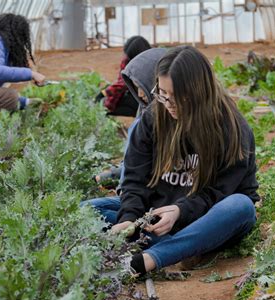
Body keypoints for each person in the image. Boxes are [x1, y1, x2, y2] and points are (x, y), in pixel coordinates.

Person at [109, 46, 260, 275]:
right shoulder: (153, 117)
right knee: (91, 209)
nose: (168, 104)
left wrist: (180, 211)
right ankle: (185, 248)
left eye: (176, 98)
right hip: (158, 217)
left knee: (241, 206)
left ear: (199, 93)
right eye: (162, 94)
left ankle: (150, 258)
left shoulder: (231, 128)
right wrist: (129, 217)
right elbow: (134, 179)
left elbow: (219, 193)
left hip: (207, 218)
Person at [85, 48, 167, 222]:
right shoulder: (144, 111)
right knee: (84, 209)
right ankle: (138, 227)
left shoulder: (167, 122)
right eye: (135, 88)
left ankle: (143, 229)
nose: (140, 94)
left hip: (154, 201)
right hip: (134, 198)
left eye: (141, 87)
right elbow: (134, 165)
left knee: (93, 213)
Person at [96, 35, 151, 117]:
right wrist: (106, 95)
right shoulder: (128, 60)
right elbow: (121, 82)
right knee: (112, 94)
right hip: (138, 95)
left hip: (150, 99)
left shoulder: (149, 63)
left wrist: (106, 94)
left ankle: (141, 116)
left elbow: (123, 84)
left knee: (129, 102)